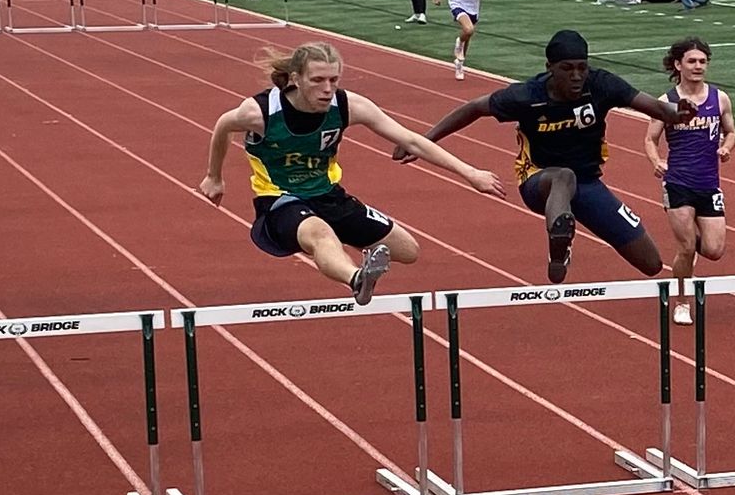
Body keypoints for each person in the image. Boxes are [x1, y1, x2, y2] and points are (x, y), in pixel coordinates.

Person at [197, 42, 505, 304]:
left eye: (334, 79)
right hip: (279, 200)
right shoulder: (260, 112)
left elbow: (411, 140)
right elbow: (223, 125)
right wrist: (214, 176)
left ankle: (337, 248)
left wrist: (470, 173)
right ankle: (357, 278)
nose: (327, 89)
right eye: (317, 80)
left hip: (328, 195)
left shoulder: (348, 106)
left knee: (407, 250)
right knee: (319, 233)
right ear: (295, 79)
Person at [393, 30, 698, 283]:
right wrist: (422, 141)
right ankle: (559, 245)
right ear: (550, 67)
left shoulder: (601, 84)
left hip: (588, 183)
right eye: (567, 68)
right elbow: (473, 108)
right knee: (563, 176)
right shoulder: (527, 96)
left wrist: (677, 112)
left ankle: (564, 222)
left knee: (650, 263)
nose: (576, 76)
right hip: (539, 179)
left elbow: (656, 107)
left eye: (582, 68)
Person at [643, 37, 735, 325]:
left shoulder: (719, 98)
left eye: (702, 62)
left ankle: (692, 248)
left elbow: (731, 131)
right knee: (685, 248)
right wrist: (656, 161)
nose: (698, 66)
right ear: (678, 65)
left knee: (714, 250)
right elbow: (650, 138)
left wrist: (726, 147)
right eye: (692, 61)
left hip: (709, 183)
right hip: (678, 183)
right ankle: (682, 301)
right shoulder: (667, 102)